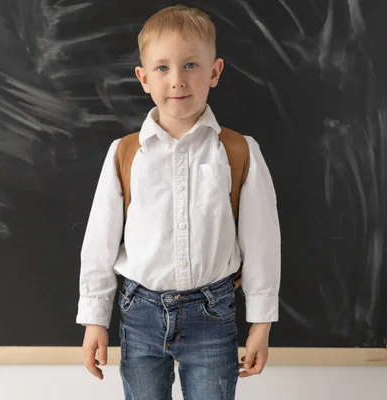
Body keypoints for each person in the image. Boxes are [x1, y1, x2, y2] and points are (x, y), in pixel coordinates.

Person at [76, 5, 281, 399]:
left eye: (191, 65)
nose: (177, 80)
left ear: (215, 71)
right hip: (140, 314)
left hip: (213, 314)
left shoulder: (238, 151)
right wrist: (95, 320)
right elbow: (99, 241)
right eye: (163, 68)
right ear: (143, 77)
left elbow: (262, 243)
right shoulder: (125, 153)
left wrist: (261, 324)